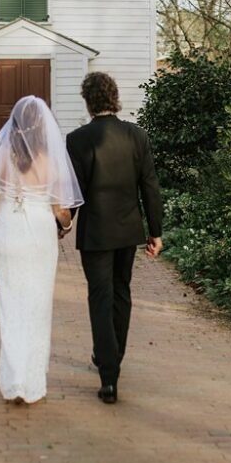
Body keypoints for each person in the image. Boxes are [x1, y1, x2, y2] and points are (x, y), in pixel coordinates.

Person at [0, 96, 83, 404]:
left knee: (10, 304)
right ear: (43, 125)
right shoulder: (50, 159)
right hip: (40, 236)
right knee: (38, 306)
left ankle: (13, 380)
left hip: (9, 231)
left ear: (13, 123)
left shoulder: (0, 155)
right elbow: (61, 211)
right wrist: (66, 225)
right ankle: (32, 384)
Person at [66, 72, 163, 405]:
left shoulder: (78, 139)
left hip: (95, 232)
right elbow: (150, 186)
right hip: (127, 231)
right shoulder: (137, 135)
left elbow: (73, 193)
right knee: (121, 292)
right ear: (115, 98)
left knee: (100, 297)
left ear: (88, 101)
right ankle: (113, 356)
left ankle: (109, 376)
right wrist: (156, 231)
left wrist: (62, 224)